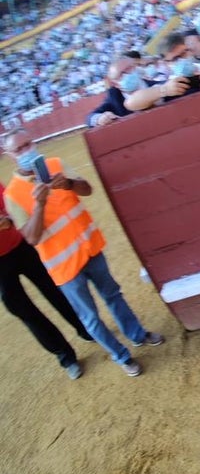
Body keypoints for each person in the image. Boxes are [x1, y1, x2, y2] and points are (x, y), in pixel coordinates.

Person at [3, 130, 165, 377]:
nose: (27, 152)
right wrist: (40, 205)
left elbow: (87, 189)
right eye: (19, 150)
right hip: (64, 266)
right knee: (90, 318)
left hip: (89, 248)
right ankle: (121, 357)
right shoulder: (13, 194)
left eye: (28, 144)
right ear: (9, 156)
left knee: (113, 295)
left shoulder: (55, 163)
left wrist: (68, 183)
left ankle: (137, 334)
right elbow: (32, 237)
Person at [1, 182, 93, 379]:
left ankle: (86, 329)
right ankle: (65, 355)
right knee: (23, 310)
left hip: (20, 246)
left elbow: (12, 206)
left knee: (55, 288)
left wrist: (8, 220)